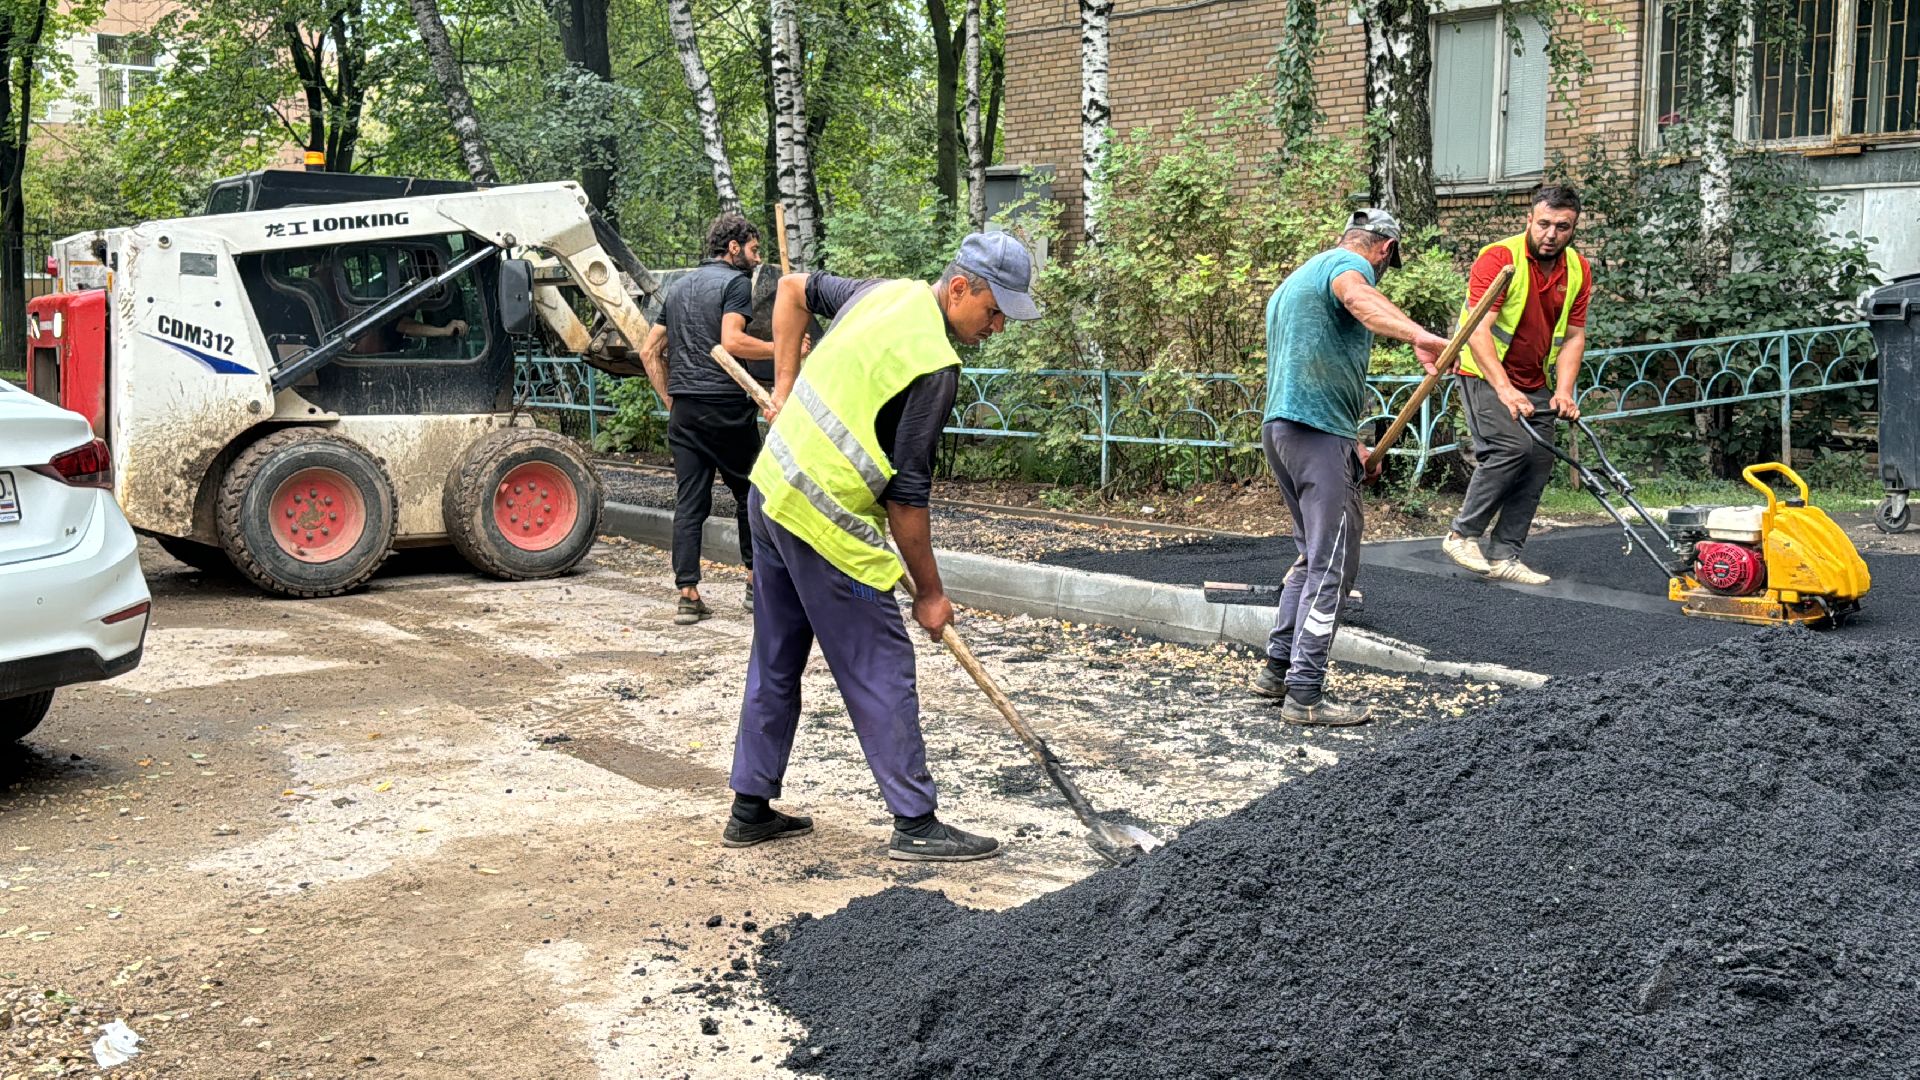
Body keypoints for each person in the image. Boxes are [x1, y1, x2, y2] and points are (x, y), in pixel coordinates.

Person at [722, 232, 1039, 861]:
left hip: (773, 491)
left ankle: (749, 807)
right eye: (995, 310)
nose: (998, 326)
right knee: (881, 664)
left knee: (776, 657)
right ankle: (916, 823)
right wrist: (932, 594)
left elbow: (791, 291)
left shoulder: (880, 294)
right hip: (826, 521)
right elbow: (906, 500)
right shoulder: (934, 366)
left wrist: (785, 389)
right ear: (959, 287)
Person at [1250, 209, 1450, 725]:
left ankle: (1277, 670)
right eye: (1388, 262)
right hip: (1313, 433)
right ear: (1384, 249)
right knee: (1331, 566)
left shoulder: (1297, 279)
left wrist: (1353, 444)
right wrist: (1420, 337)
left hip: (1286, 431)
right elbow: (1360, 299)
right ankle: (1306, 693)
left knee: (1309, 557)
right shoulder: (1344, 268)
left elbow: (1312, 370)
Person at [1440, 185, 1591, 585]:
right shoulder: (1500, 258)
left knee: (1540, 458)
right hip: (1484, 372)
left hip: (1535, 377)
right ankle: (1462, 534)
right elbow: (1478, 330)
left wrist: (1564, 391)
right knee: (1510, 448)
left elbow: (1574, 335)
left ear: (1573, 227)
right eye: (1543, 224)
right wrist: (1504, 389)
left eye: (1562, 226)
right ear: (1529, 220)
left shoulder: (1577, 269)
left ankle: (1506, 554)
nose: (1551, 234)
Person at [639, 214, 777, 625]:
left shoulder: (678, 288)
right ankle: (755, 584)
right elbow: (731, 341)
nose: (757, 259)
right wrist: (780, 346)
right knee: (752, 494)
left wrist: (670, 398)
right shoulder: (735, 283)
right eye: (753, 250)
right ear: (733, 248)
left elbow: (649, 351)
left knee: (690, 503)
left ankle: (688, 594)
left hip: (685, 412)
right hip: (727, 409)